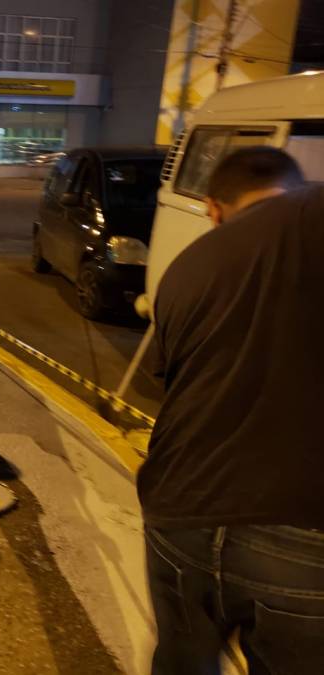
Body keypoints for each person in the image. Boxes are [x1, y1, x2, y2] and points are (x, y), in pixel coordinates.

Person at [139, 147, 324, 674]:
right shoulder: (312, 213)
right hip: (300, 530)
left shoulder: (185, 268)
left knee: (182, 661)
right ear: (296, 186)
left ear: (212, 208)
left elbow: (172, 383)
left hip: (179, 510)